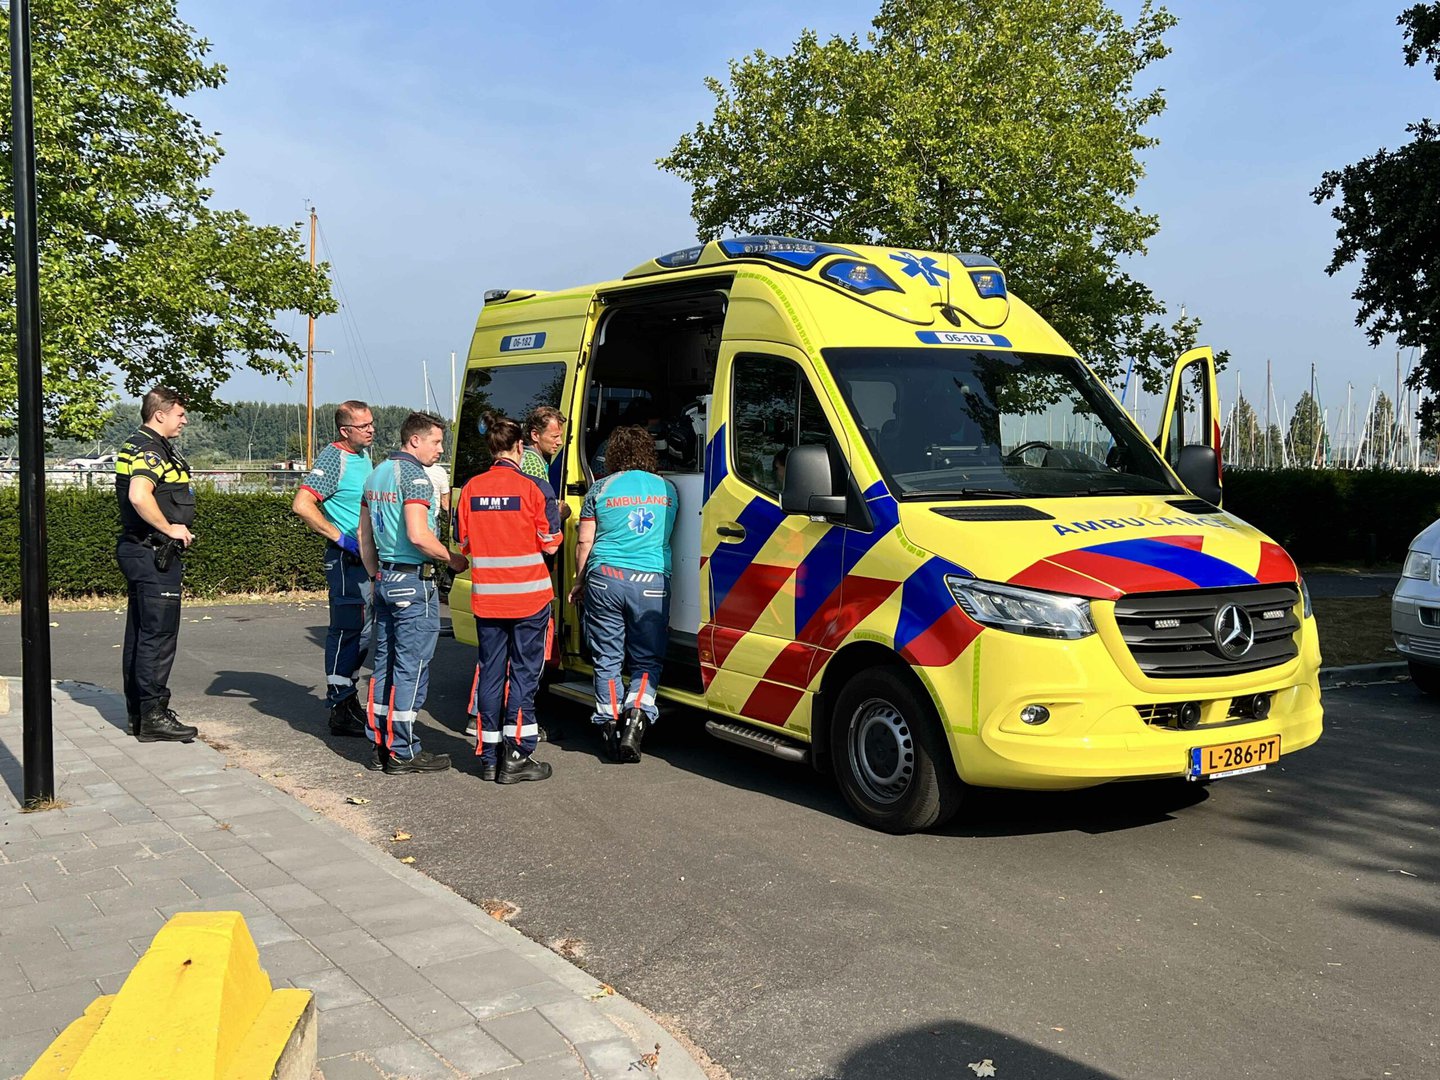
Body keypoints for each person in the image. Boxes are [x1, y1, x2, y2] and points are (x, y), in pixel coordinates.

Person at [455, 413, 562, 783]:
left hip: (488, 598)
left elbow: (464, 543)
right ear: (520, 446)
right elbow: (550, 542)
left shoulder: (470, 489)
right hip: (529, 598)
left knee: (490, 673)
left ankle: (487, 757)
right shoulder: (536, 488)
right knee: (524, 674)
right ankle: (516, 754)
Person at [358, 412, 466, 775]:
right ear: (415, 440)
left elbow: (364, 535)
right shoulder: (417, 478)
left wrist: (375, 576)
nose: (440, 450)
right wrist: (452, 559)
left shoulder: (376, 474)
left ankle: (380, 746)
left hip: (386, 580)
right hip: (413, 581)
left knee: (384, 667)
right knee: (412, 668)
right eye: (436, 442)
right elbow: (419, 536)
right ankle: (403, 750)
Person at [569, 424, 678, 762]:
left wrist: (579, 580)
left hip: (606, 578)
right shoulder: (668, 489)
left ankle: (610, 729)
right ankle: (636, 720)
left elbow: (585, 540)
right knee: (647, 659)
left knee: (609, 658)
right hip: (652, 581)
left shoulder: (600, 488)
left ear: (613, 454)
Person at [114, 386, 198, 743]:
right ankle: (153, 715)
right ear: (160, 414)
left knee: (141, 633)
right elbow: (138, 494)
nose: (184, 420)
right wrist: (169, 527)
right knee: (158, 635)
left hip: (141, 549)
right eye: (179, 414)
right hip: (152, 551)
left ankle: (140, 713)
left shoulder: (140, 443)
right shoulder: (150, 448)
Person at [291, 400, 375, 736]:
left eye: (372, 423)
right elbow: (302, 504)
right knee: (346, 629)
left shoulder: (363, 455)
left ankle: (348, 698)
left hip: (365, 557)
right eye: (363, 426)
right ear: (345, 430)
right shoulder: (334, 458)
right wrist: (341, 538)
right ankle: (339, 707)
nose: (371, 429)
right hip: (346, 560)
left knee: (364, 632)